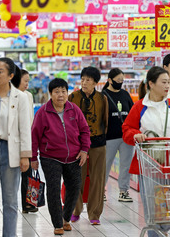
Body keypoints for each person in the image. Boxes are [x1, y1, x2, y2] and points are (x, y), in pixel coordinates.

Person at [122, 66, 170, 237]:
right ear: (151, 84)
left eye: (168, 83)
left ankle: (162, 231)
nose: (167, 86)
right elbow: (126, 130)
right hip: (149, 165)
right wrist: (136, 135)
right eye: (163, 82)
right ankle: (156, 233)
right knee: (152, 207)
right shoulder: (139, 107)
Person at [31, 78, 90, 235]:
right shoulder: (43, 112)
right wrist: (32, 158)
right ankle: (58, 224)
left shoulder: (74, 109)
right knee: (53, 189)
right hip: (50, 157)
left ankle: (66, 218)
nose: (61, 95)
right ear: (50, 94)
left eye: (64, 91)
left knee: (74, 188)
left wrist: (84, 150)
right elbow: (34, 136)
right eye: (57, 91)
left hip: (74, 156)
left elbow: (84, 130)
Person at [0, 57, 31, 237]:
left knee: (10, 201)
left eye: (0, 71)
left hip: (10, 152)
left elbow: (24, 128)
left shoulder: (20, 98)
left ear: (11, 75)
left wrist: (25, 155)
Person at [68, 67, 108, 225]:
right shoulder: (73, 97)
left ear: (95, 83)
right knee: (76, 177)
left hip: (98, 142)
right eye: (83, 79)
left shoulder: (102, 99)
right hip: (77, 145)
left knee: (97, 179)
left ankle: (94, 214)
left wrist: (103, 138)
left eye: (88, 80)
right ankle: (75, 210)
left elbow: (105, 122)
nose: (84, 83)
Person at [102, 68, 134, 202]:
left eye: (122, 81)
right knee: (105, 165)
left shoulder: (125, 94)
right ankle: (100, 190)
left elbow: (133, 112)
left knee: (126, 165)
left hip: (126, 136)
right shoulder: (102, 96)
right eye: (118, 80)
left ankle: (123, 191)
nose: (120, 83)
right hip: (109, 137)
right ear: (109, 80)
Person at [11, 68, 37, 213]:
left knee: (27, 174)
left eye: (28, 81)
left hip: (27, 140)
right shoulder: (11, 95)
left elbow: (30, 119)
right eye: (25, 81)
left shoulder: (28, 96)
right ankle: (12, 204)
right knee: (13, 176)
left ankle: (28, 203)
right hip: (14, 141)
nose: (27, 84)